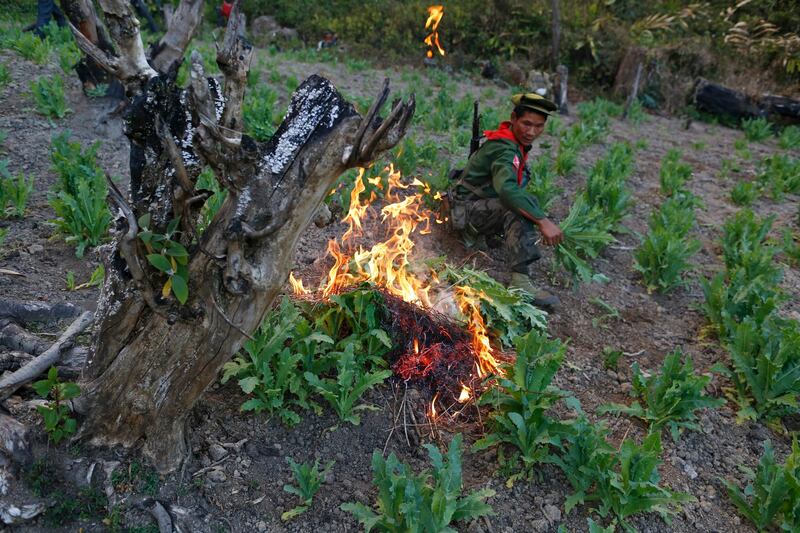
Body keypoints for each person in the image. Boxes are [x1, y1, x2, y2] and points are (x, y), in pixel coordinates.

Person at [449, 93, 564, 310]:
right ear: (513, 118)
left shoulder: (511, 141)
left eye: (539, 126)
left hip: (469, 208)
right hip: (463, 214)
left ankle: (481, 235)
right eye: (526, 124)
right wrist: (542, 220)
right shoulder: (504, 148)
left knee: (526, 202)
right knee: (519, 207)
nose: (532, 132)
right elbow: (507, 191)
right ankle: (521, 283)